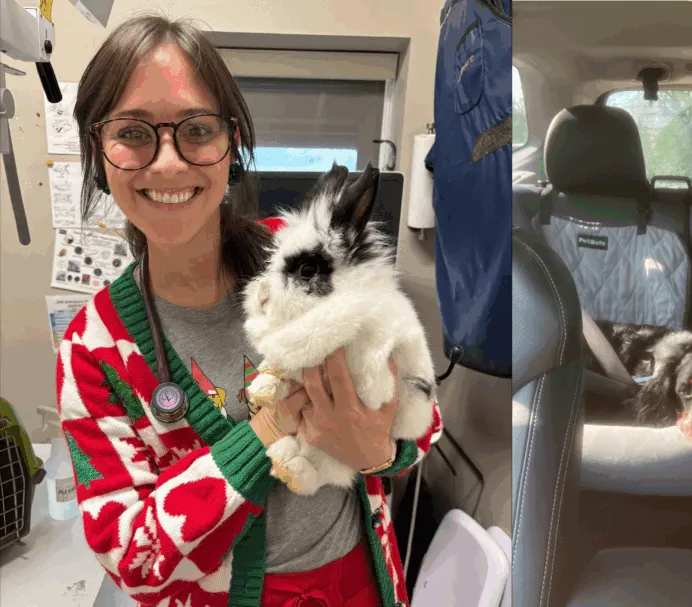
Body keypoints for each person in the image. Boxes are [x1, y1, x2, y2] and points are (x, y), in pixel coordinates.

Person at [56, 15, 441, 607]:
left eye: (196, 129)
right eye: (132, 132)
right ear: (98, 153)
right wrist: (266, 430)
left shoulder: (304, 257)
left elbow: (421, 408)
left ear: (231, 144)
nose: (167, 163)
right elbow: (131, 556)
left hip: (362, 580)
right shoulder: (93, 351)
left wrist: (382, 454)